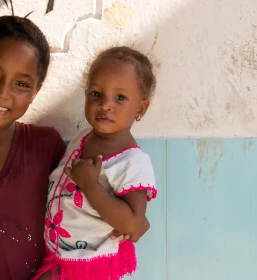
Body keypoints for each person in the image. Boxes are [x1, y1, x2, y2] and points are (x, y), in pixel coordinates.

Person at [0, 15, 149, 280]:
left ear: (36, 91)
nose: (3, 92)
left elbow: (84, 206)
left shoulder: (45, 146)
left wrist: (134, 221)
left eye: (21, 84)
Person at [34, 46, 158, 280]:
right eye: (96, 94)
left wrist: (90, 185)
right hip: (60, 253)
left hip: (89, 265)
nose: (105, 104)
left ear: (141, 108)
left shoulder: (133, 162)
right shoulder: (83, 138)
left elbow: (133, 224)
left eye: (120, 97)